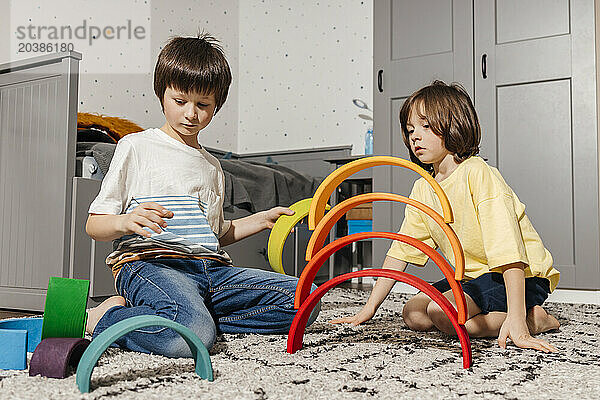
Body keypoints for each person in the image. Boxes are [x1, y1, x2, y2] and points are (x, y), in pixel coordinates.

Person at [84, 33, 318, 357]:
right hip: (153, 264)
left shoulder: (213, 167)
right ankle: (105, 318)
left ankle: (195, 317)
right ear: (161, 94)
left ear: (216, 105)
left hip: (212, 269)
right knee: (188, 337)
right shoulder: (136, 147)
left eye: (203, 105)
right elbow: (95, 225)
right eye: (180, 101)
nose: (191, 114)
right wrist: (125, 222)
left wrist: (260, 220)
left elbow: (216, 234)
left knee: (307, 300)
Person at [331, 80, 560, 352]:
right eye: (410, 129)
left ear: (453, 124)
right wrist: (368, 309)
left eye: (425, 126)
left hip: (520, 273)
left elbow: (507, 248)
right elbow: (402, 250)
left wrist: (518, 322)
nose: (415, 136)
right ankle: (507, 315)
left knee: (442, 314)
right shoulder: (423, 187)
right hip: (472, 277)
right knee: (414, 313)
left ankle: (531, 318)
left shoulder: (478, 174)